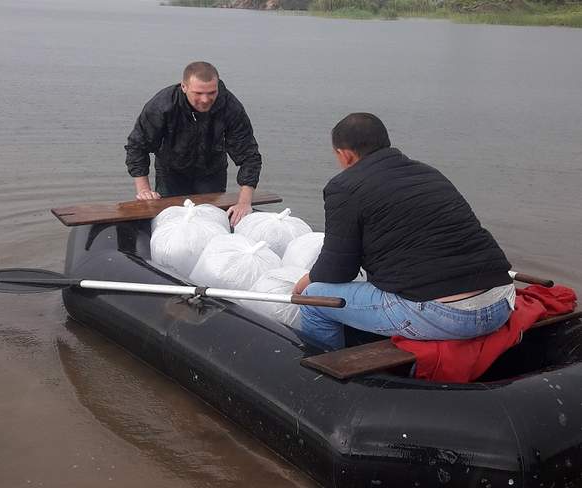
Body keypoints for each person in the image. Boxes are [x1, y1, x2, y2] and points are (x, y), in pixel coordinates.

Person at [293, 113, 515, 351]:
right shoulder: (428, 173)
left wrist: (303, 284)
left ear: (344, 154)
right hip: (502, 301)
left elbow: (338, 270)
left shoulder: (344, 187)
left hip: (448, 316)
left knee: (314, 299)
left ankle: (322, 372)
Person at [124, 61, 263, 226]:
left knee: (209, 222)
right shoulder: (163, 105)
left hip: (212, 172)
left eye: (212, 92)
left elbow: (249, 155)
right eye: (198, 93)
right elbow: (137, 145)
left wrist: (244, 203)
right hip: (171, 172)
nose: (205, 100)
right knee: (172, 223)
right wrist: (144, 190)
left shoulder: (230, 107)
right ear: (184, 87)